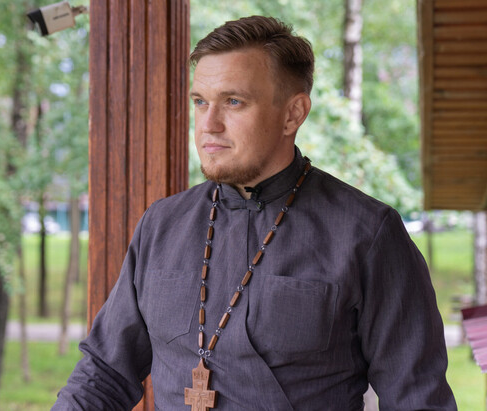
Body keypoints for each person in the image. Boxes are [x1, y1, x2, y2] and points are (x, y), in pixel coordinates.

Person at [53, 16, 456, 410]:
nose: (209, 124)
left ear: (293, 114)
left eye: (233, 101)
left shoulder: (368, 234)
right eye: (199, 102)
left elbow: (417, 398)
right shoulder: (161, 225)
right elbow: (105, 372)